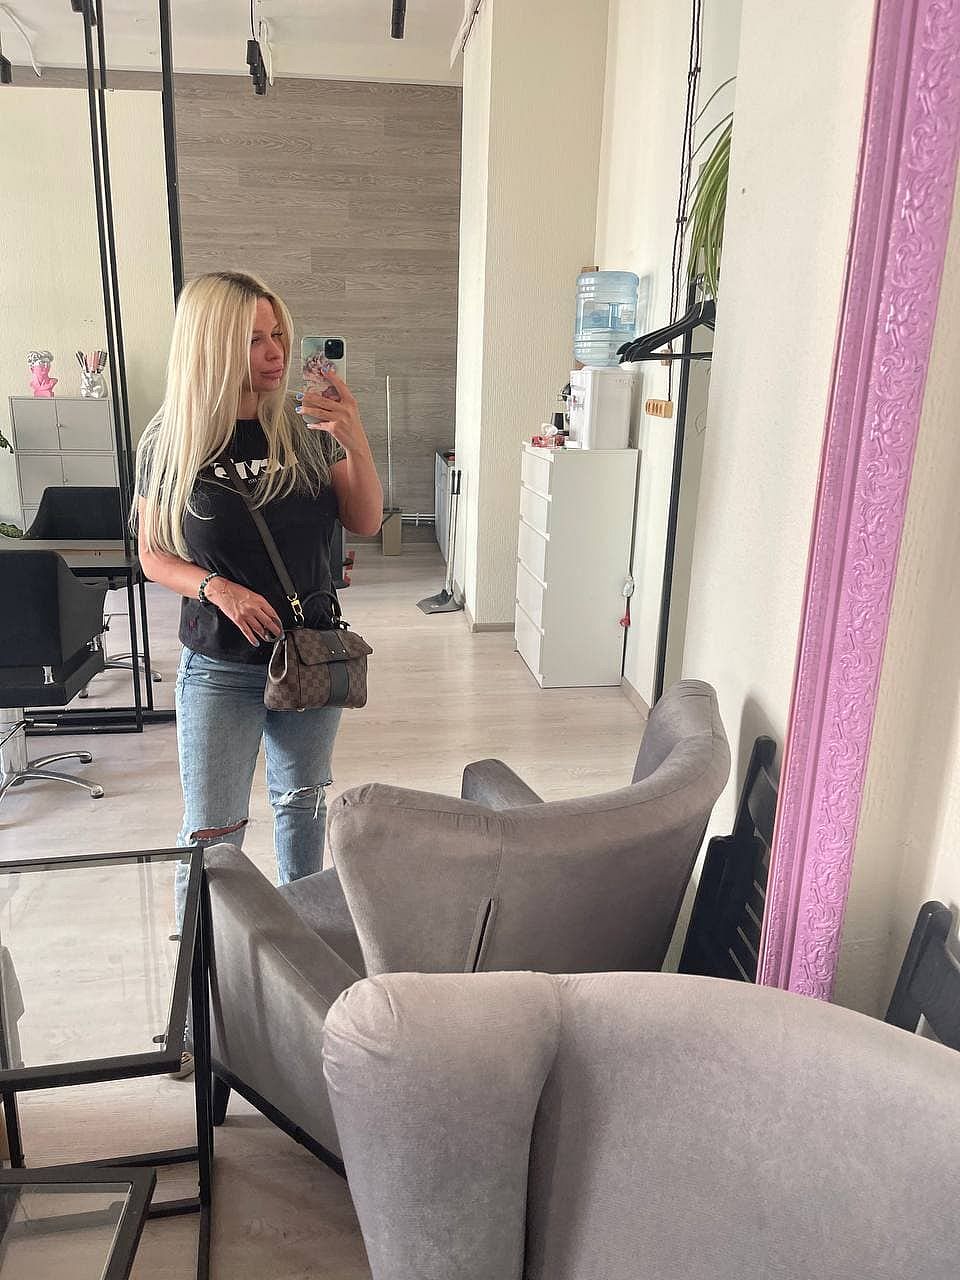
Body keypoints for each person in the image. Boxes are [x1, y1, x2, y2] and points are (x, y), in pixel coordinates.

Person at [136, 268, 383, 955]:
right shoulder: (171, 443)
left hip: (311, 657)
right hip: (221, 664)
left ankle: (302, 949)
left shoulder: (306, 432)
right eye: (253, 340)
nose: (275, 352)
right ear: (211, 346)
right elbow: (153, 555)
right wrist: (218, 588)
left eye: (277, 335)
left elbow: (365, 519)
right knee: (213, 831)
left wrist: (353, 432)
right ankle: (201, 969)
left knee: (302, 805)